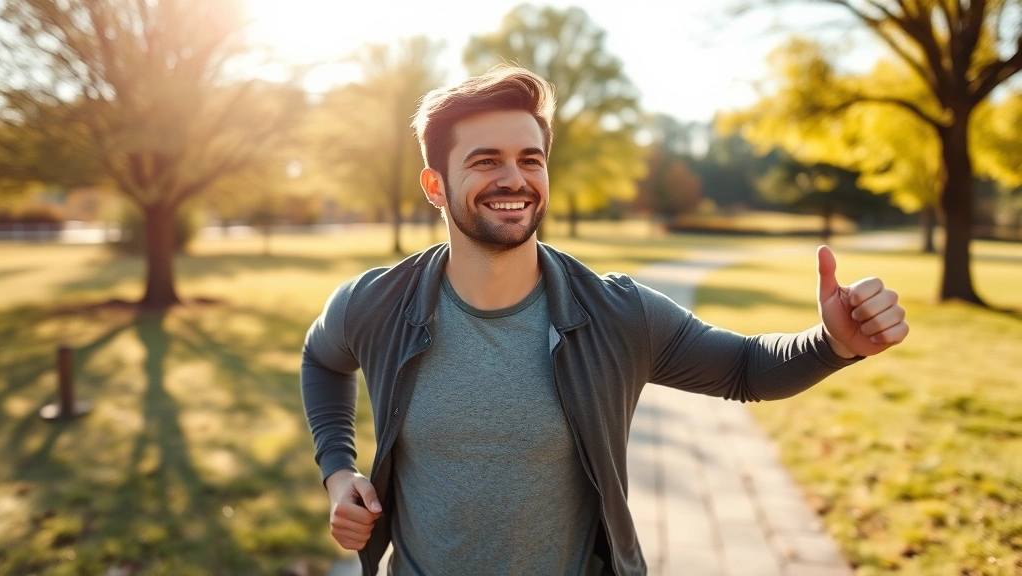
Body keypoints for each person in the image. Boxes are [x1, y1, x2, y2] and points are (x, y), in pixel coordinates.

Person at [300, 66, 908, 576]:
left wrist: (832, 343)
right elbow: (321, 358)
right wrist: (337, 470)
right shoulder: (376, 303)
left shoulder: (617, 314)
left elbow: (747, 369)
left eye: (529, 159)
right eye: (486, 161)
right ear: (436, 185)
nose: (513, 179)